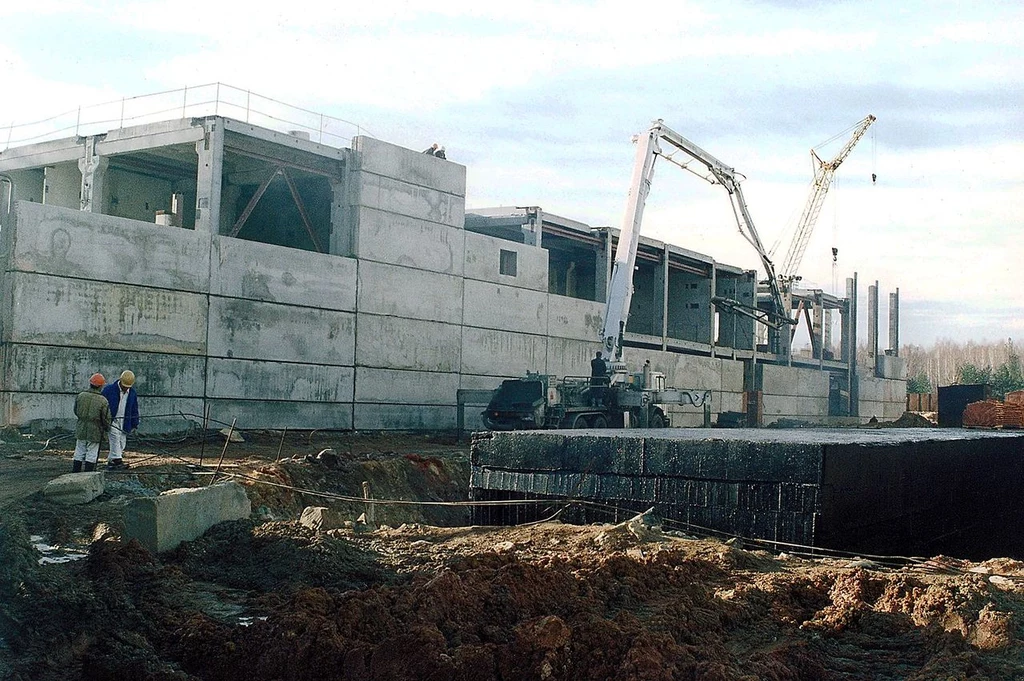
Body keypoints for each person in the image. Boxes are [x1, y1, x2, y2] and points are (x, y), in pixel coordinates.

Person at [72, 373, 112, 473]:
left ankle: (75, 472)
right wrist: (107, 428)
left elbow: (76, 410)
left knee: (79, 449)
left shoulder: (81, 396)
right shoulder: (103, 401)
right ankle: (88, 474)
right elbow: (106, 418)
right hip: (95, 429)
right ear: (101, 386)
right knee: (92, 452)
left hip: (81, 426)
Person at [102, 370, 140, 470]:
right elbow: (102, 404)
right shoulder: (109, 390)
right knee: (114, 438)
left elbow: (134, 409)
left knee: (122, 442)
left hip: (125, 421)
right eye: (125, 386)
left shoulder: (132, 393)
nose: (126, 388)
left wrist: (135, 423)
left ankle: (112, 461)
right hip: (111, 419)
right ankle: (117, 461)